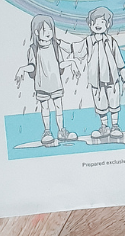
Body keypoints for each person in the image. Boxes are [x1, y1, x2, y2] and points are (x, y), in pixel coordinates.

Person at [15, 15, 78, 146]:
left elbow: (60, 63)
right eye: (45, 30)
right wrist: (22, 69)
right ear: (37, 32)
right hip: (42, 85)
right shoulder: (33, 49)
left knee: (59, 107)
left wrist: (72, 63)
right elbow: (33, 66)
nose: (49, 33)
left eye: (50, 30)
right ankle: (47, 131)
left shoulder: (55, 46)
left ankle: (61, 131)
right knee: (45, 108)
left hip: (56, 84)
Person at [82, 6, 125, 143]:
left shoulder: (111, 42)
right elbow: (77, 51)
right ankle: (104, 127)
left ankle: (115, 126)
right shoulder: (88, 42)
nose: (98, 25)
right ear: (90, 24)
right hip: (96, 81)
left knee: (114, 102)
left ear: (108, 24)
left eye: (102, 22)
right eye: (95, 22)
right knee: (101, 104)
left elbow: (120, 62)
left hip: (112, 80)